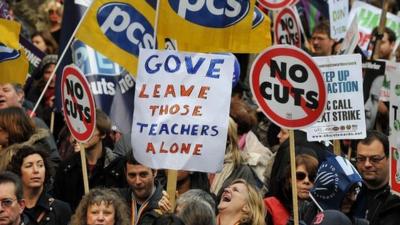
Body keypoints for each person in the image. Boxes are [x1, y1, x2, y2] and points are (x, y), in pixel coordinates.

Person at [53, 109, 126, 210]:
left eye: (90, 130)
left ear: (103, 134)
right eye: (82, 129)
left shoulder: (118, 166)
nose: (84, 134)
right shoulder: (66, 167)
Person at [8, 146, 72, 225]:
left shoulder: (61, 209)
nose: (36, 170)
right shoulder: (10, 207)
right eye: (29, 166)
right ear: (18, 172)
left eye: (40, 165)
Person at [304, 156, 367, 225]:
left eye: (355, 191)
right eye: (347, 193)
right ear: (328, 191)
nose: (353, 198)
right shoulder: (300, 214)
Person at [356, 130, 400, 225]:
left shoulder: (397, 197)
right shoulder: (351, 194)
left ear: (389, 159)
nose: (367, 164)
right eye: (361, 159)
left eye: (375, 159)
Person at [210, 118, 257, 199]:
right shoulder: (197, 165)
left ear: (228, 140)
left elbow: (249, 203)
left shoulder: (242, 170)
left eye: (216, 134)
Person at [265, 154, 318, 225]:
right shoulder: (270, 205)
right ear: (289, 178)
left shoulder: (322, 209)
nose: (306, 181)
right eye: (300, 176)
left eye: (312, 177)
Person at [0, 107, 59, 172]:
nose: (36, 170)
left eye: (1, 127)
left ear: (13, 129)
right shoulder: (4, 152)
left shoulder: (32, 153)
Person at [118, 153, 163, 225]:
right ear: (125, 173)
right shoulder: (116, 200)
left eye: (143, 174)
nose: (137, 181)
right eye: (132, 175)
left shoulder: (166, 204)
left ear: (154, 172)